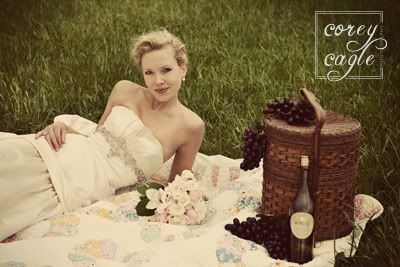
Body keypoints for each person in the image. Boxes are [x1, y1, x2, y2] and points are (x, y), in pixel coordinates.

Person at [0, 29, 205, 241]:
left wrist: (182, 207)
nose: (158, 81)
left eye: (166, 70)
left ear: (183, 68)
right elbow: (98, 137)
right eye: (149, 73)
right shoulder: (124, 89)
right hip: (61, 150)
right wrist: (64, 129)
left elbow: (177, 188)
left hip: (83, 187)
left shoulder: (191, 126)